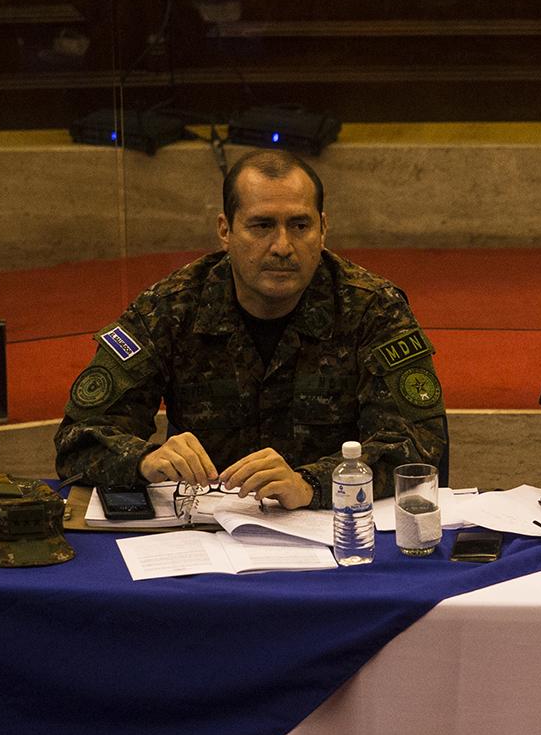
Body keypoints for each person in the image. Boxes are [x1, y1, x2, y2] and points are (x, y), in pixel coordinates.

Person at [54, 149, 446, 507]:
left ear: (323, 229)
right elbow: (78, 440)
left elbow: (420, 447)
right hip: (207, 535)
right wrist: (144, 460)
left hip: (333, 531)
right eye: (261, 226)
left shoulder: (372, 309)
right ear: (225, 231)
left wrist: (311, 484)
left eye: (300, 225)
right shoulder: (170, 308)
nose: (282, 246)